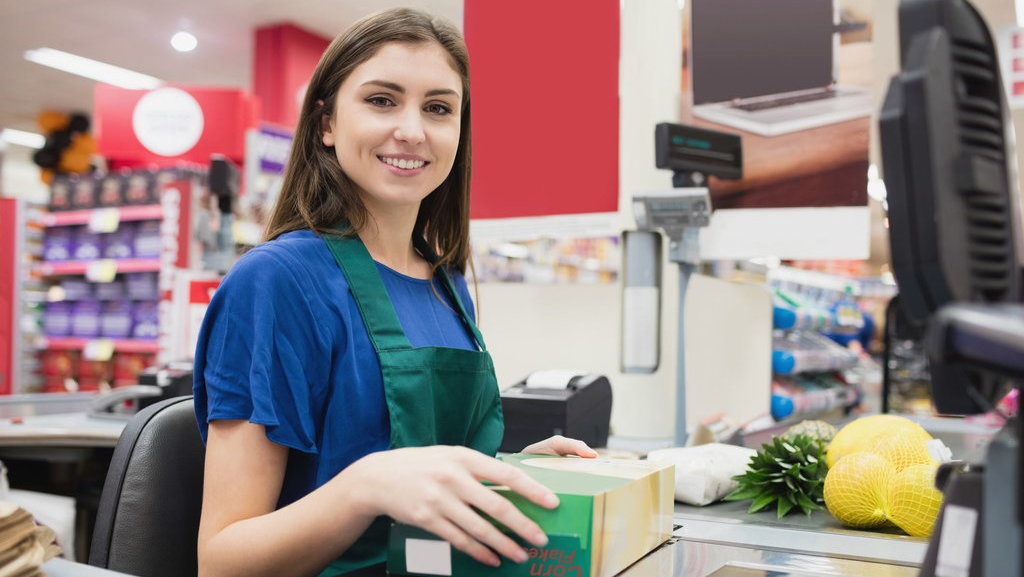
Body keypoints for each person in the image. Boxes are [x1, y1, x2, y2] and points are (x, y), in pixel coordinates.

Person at [192, 7, 597, 577]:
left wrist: (505, 476)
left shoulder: (448, 283)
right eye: (382, 100)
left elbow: (428, 480)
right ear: (325, 124)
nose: (412, 130)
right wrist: (365, 486)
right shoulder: (276, 282)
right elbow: (222, 560)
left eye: (438, 108)